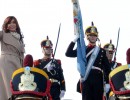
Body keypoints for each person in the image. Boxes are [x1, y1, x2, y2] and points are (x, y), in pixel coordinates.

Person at [65, 22, 111, 100]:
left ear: (97, 37)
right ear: (87, 36)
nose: (93, 37)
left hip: (98, 78)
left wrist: (107, 82)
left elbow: (107, 68)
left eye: (95, 35)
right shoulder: (82, 49)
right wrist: (74, 41)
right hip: (86, 78)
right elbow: (68, 53)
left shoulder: (101, 51)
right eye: (91, 35)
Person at [0, 16, 25, 100]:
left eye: (14, 22)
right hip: (7, 61)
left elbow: (22, 55)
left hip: (18, 63)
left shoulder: (20, 38)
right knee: (9, 89)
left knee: (19, 88)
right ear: (6, 26)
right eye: (9, 23)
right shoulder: (3, 33)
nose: (12, 24)